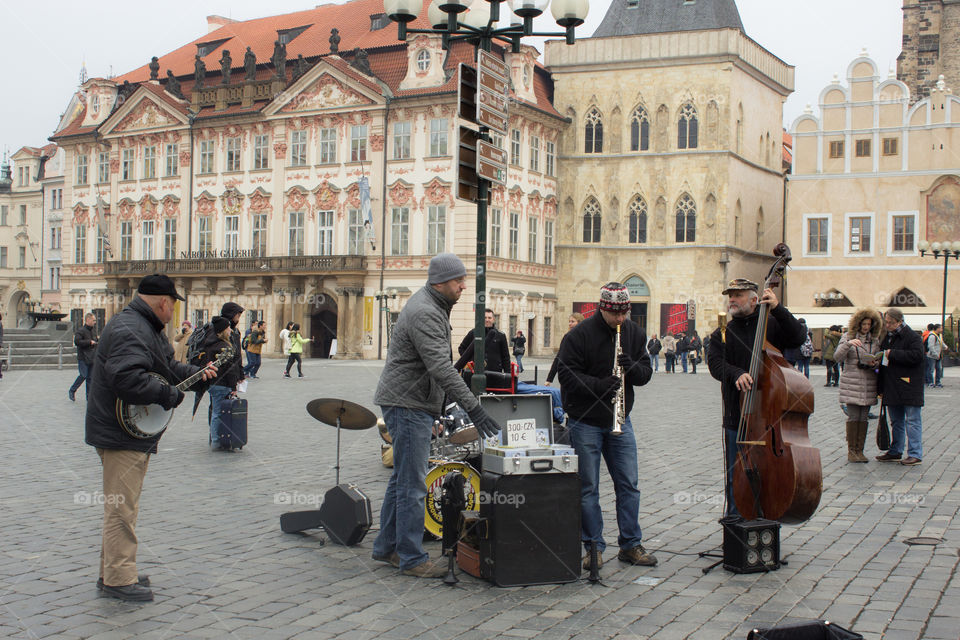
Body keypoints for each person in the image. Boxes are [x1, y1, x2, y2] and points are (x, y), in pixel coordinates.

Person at [85, 274, 217, 601]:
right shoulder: (131, 329)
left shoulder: (143, 327)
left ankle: (115, 570)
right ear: (163, 302)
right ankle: (118, 580)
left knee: (123, 507)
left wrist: (198, 377)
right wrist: (168, 395)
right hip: (120, 433)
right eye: (173, 304)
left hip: (127, 432)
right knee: (122, 509)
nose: (173, 311)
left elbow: (168, 368)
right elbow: (128, 378)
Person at [372, 253, 502, 578]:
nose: (463, 285)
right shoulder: (425, 312)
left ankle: (387, 547)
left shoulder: (433, 306)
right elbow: (441, 367)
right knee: (413, 484)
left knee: (401, 480)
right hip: (407, 404)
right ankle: (412, 558)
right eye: (458, 280)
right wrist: (473, 407)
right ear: (439, 282)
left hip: (411, 402)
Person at [556, 282, 656, 571]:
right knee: (588, 487)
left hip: (621, 420)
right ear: (603, 308)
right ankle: (593, 547)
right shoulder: (580, 335)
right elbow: (567, 374)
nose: (621, 319)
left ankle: (630, 544)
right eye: (616, 314)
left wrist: (632, 368)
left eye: (625, 313)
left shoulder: (634, 333)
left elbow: (645, 374)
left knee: (629, 484)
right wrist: (599, 386)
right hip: (585, 421)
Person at [706, 278, 806, 520]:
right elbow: (716, 363)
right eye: (730, 295)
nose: (732, 299)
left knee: (770, 473)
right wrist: (736, 373)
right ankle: (734, 527)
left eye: (738, 295)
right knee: (736, 474)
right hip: (736, 415)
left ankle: (766, 526)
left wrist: (779, 309)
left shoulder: (771, 324)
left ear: (754, 299)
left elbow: (798, 337)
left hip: (771, 417)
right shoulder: (723, 332)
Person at [876, 308, 925, 466]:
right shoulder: (887, 338)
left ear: (900, 321)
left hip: (909, 384)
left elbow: (917, 356)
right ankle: (895, 450)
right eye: (886, 322)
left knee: (912, 420)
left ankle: (915, 454)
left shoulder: (912, 337)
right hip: (892, 385)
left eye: (891, 322)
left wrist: (893, 354)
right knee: (896, 421)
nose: (888, 325)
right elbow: (884, 361)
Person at [833, 309, 882, 463]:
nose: (866, 327)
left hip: (868, 383)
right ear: (858, 324)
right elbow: (837, 357)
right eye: (864, 324)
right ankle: (851, 451)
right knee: (854, 417)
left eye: (869, 324)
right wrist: (848, 344)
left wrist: (875, 363)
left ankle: (860, 450)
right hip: (852, 383)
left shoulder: (874, 341)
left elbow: (878, 362)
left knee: (864, 418)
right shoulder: (848, 337)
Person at [207, 302, 244, 448]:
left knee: (219, 409)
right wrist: (233, 382)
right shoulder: (222, 340)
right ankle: (217, 438)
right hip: (222, 381)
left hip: (216, 381)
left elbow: (237, 357)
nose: (239, 318)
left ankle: (222, 436)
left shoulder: (231, 333)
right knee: (218, 410)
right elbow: (231, 363)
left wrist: (240, 373)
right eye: (238, 315)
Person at [456, 309, 511, 373]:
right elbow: (461, 348)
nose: (487, 320)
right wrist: (470, 360)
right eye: (485, 317)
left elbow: (505, 357)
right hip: (476, 372)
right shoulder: (473, 333)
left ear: (493, 319)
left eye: (489, 318)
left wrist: (508, 375)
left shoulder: (500, 335)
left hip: (495, 373)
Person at [546, 313, 584, 386]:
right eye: (569, 321)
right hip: (569, 375)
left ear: (579, 322)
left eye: (573, 321)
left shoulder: (585, 337)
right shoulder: (568, 337)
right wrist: (549, 379)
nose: (570, 324)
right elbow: (558, 357)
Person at [69, 313, 98, 401]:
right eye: (93, 320)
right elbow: (77, 342)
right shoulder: (81, 330)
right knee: (83, 375)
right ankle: (72, 390)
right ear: (88, 320)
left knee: (90, 377)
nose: (95, 322)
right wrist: (89, 342)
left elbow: (95, 340)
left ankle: (89, 397)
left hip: (92, 357)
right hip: (83, 357)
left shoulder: (93, 330)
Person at [926, 324, 945, 388]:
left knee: (939, 369)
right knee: (931, 370)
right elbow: (930, 346)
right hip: (932, 356)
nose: (942, 329)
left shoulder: (939, 335)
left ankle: (938, 382)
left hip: (938, 355)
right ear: (937, 329)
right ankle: (930, 382)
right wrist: (935, 354)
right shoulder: (932, 336)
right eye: (941, 328)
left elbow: (941, 343)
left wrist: (945, 347)